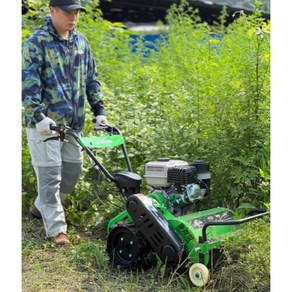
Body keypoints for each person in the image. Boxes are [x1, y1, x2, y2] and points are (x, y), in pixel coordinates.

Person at [22, 0, 107, 246]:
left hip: (72, 125)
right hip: (44, 124)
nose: (74, 17)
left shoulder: (81, 42)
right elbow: (28, 85)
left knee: (71, 172)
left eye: (77, 12)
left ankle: (40, 206)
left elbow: (92, 78)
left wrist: (99, 110)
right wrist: (38, 116)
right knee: (50, 178)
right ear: (52, 11)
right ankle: (58, 231)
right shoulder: (36, 43)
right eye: (69, 12)